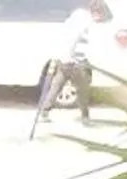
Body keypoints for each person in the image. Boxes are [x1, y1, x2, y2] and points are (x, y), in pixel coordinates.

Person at [35, 0, 111, 128]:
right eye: (100, 16)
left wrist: (60, 55)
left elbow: (64, 35)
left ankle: (44, 112)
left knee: (56, 86)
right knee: (83, 90)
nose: (99, 20)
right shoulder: (86, 21)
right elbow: (74, 39)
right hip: (76, 62)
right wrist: (73, 57)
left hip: (63, 60)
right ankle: (85, 117)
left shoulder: (76, 15)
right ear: (97, 13)